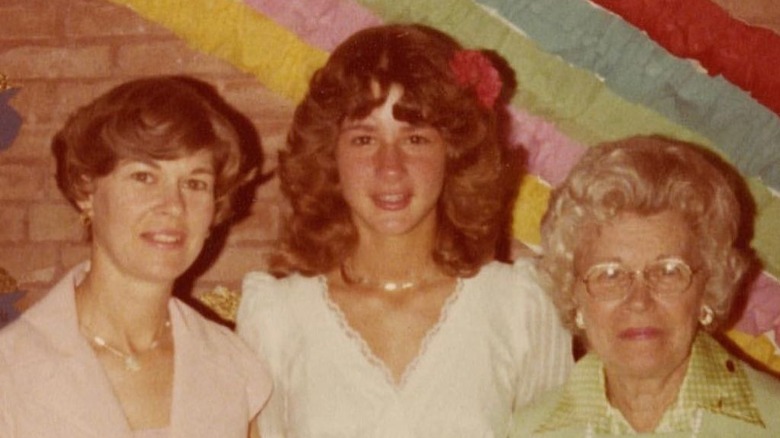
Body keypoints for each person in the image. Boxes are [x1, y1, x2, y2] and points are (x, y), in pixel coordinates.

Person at [236, 23, 572, 437]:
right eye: (364, 139)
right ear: (330, 155)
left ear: (453, 153)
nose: (389, 167)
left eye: (414, 139)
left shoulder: (519, 307)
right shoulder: (276, 318)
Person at [0, 76, 272, 437]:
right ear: (86, 191)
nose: (173, 206)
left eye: (195, 183)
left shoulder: (234, 367)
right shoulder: (11, 370)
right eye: (144, 177)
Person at [511, 136, 780, 437]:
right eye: (610, 274)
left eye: (667, 271)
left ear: (708, 288)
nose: (639, 301)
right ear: (575, 297)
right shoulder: (527, 432)